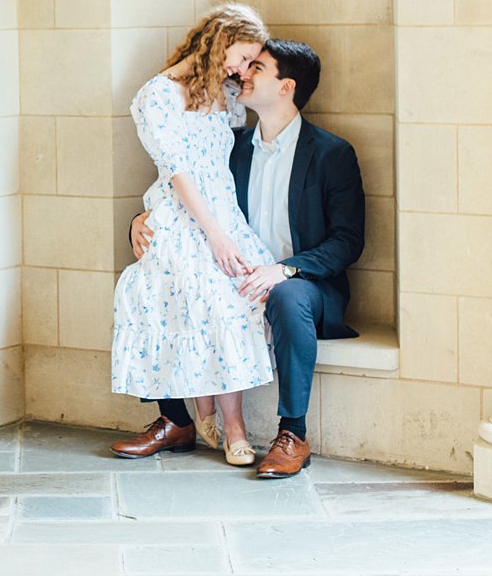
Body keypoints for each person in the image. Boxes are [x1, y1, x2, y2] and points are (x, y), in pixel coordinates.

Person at [130, 38, 365, 478]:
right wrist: (138, 222)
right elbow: (185, 196)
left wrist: (284, 269)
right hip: (230, 271)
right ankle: (176, 420)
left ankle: (292, 434)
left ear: (285, 87)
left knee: (287, 297)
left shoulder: (333, 154)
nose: (242, 74)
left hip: (305, 284)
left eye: (257, 67)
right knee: (156, 278)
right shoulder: (230, 145)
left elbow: (348, 241)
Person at [109, 3, 275, 468]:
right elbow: (180, 173)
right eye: (242, 57)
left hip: (224, 214)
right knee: (198, 295)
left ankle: (226, 423)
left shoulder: (227, 96)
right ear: (219, 38)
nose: (242, 70)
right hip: (185, 215)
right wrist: (215, 237)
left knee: (235, 298)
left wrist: (227, 233)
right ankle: (204, 417)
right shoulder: (156, 95)